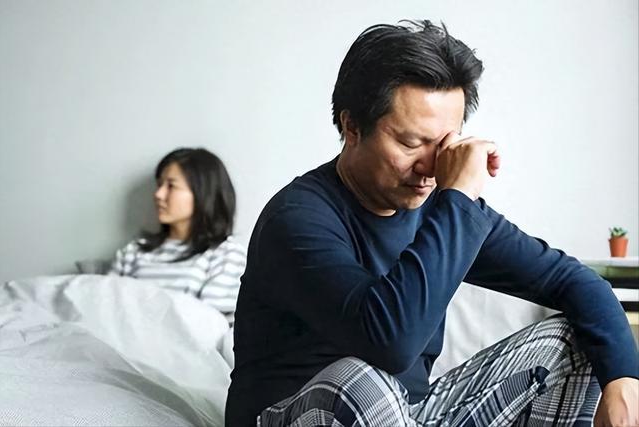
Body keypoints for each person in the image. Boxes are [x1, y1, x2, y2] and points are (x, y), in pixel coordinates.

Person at [226, 20, 639, 427]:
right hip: (298, 414)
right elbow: (390, 344)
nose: (430, 167)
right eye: (411, 143)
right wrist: (459, 197)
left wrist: (624, 380)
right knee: (362, 380)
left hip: (407, 415)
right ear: (351, 127)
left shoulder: (442, 208)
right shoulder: (296, 218)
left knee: (580, 337)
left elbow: (576, 282)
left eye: (445, 144)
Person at [109, 148, 246, 324]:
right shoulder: (133, 251)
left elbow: (211, 327)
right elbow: (104, 307)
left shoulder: (226, 255)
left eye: (171, 186)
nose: (158, 194)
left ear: (202, 193)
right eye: (159, 184)